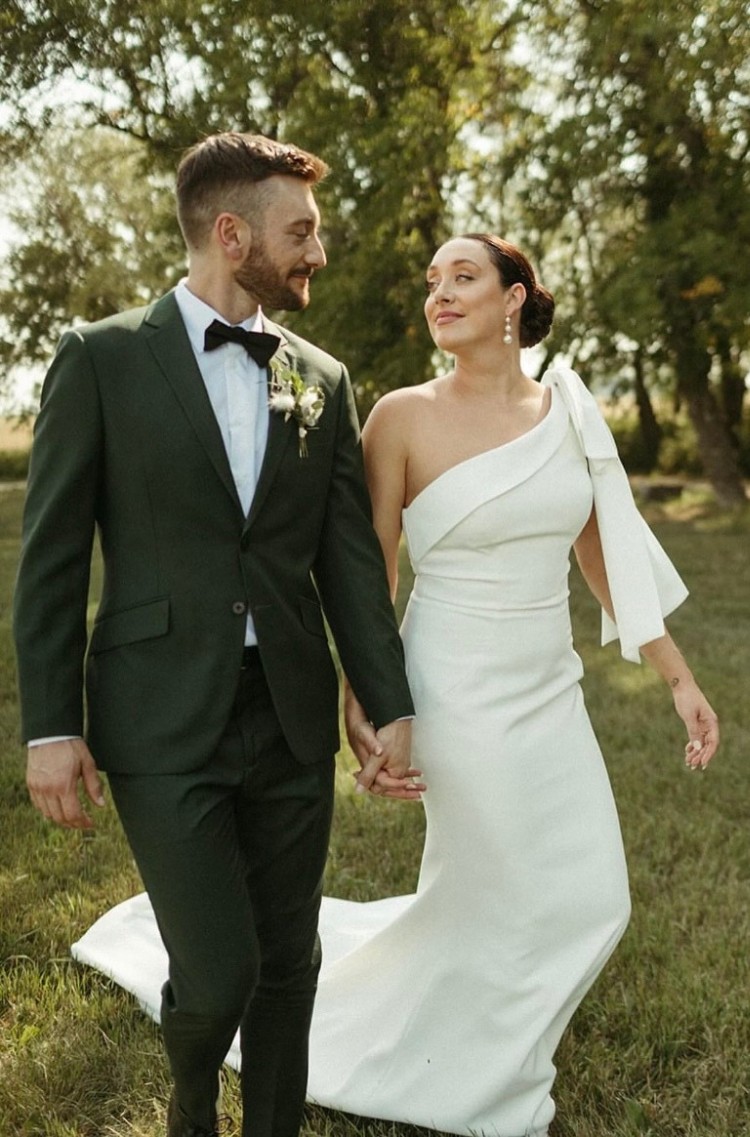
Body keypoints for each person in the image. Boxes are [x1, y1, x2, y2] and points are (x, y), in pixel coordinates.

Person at [69, 233, 719, 1137]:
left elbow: (605, 554)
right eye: (431, 283)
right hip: (452, 681)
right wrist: (370, 695)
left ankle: (488, 1029)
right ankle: (482, 1070)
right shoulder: (398, 417)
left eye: (463, 279)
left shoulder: (572, 410)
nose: (440, 295)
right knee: (495, 880)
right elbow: (365, 566)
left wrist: (678, 679)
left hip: (548, 684)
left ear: (515, 300)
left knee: (595, 892)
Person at [12, 132, 416, 1137]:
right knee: (221, 970)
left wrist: (387, 701)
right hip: (156, 713)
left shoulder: (321, 378)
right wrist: (50, 728)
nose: (317, 251)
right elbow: (53, 560)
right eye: (302, 232)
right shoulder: (100, 360)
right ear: (232, 234)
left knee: (290, 962)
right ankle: (195, 1104)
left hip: (287, 712)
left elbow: (350, 565)